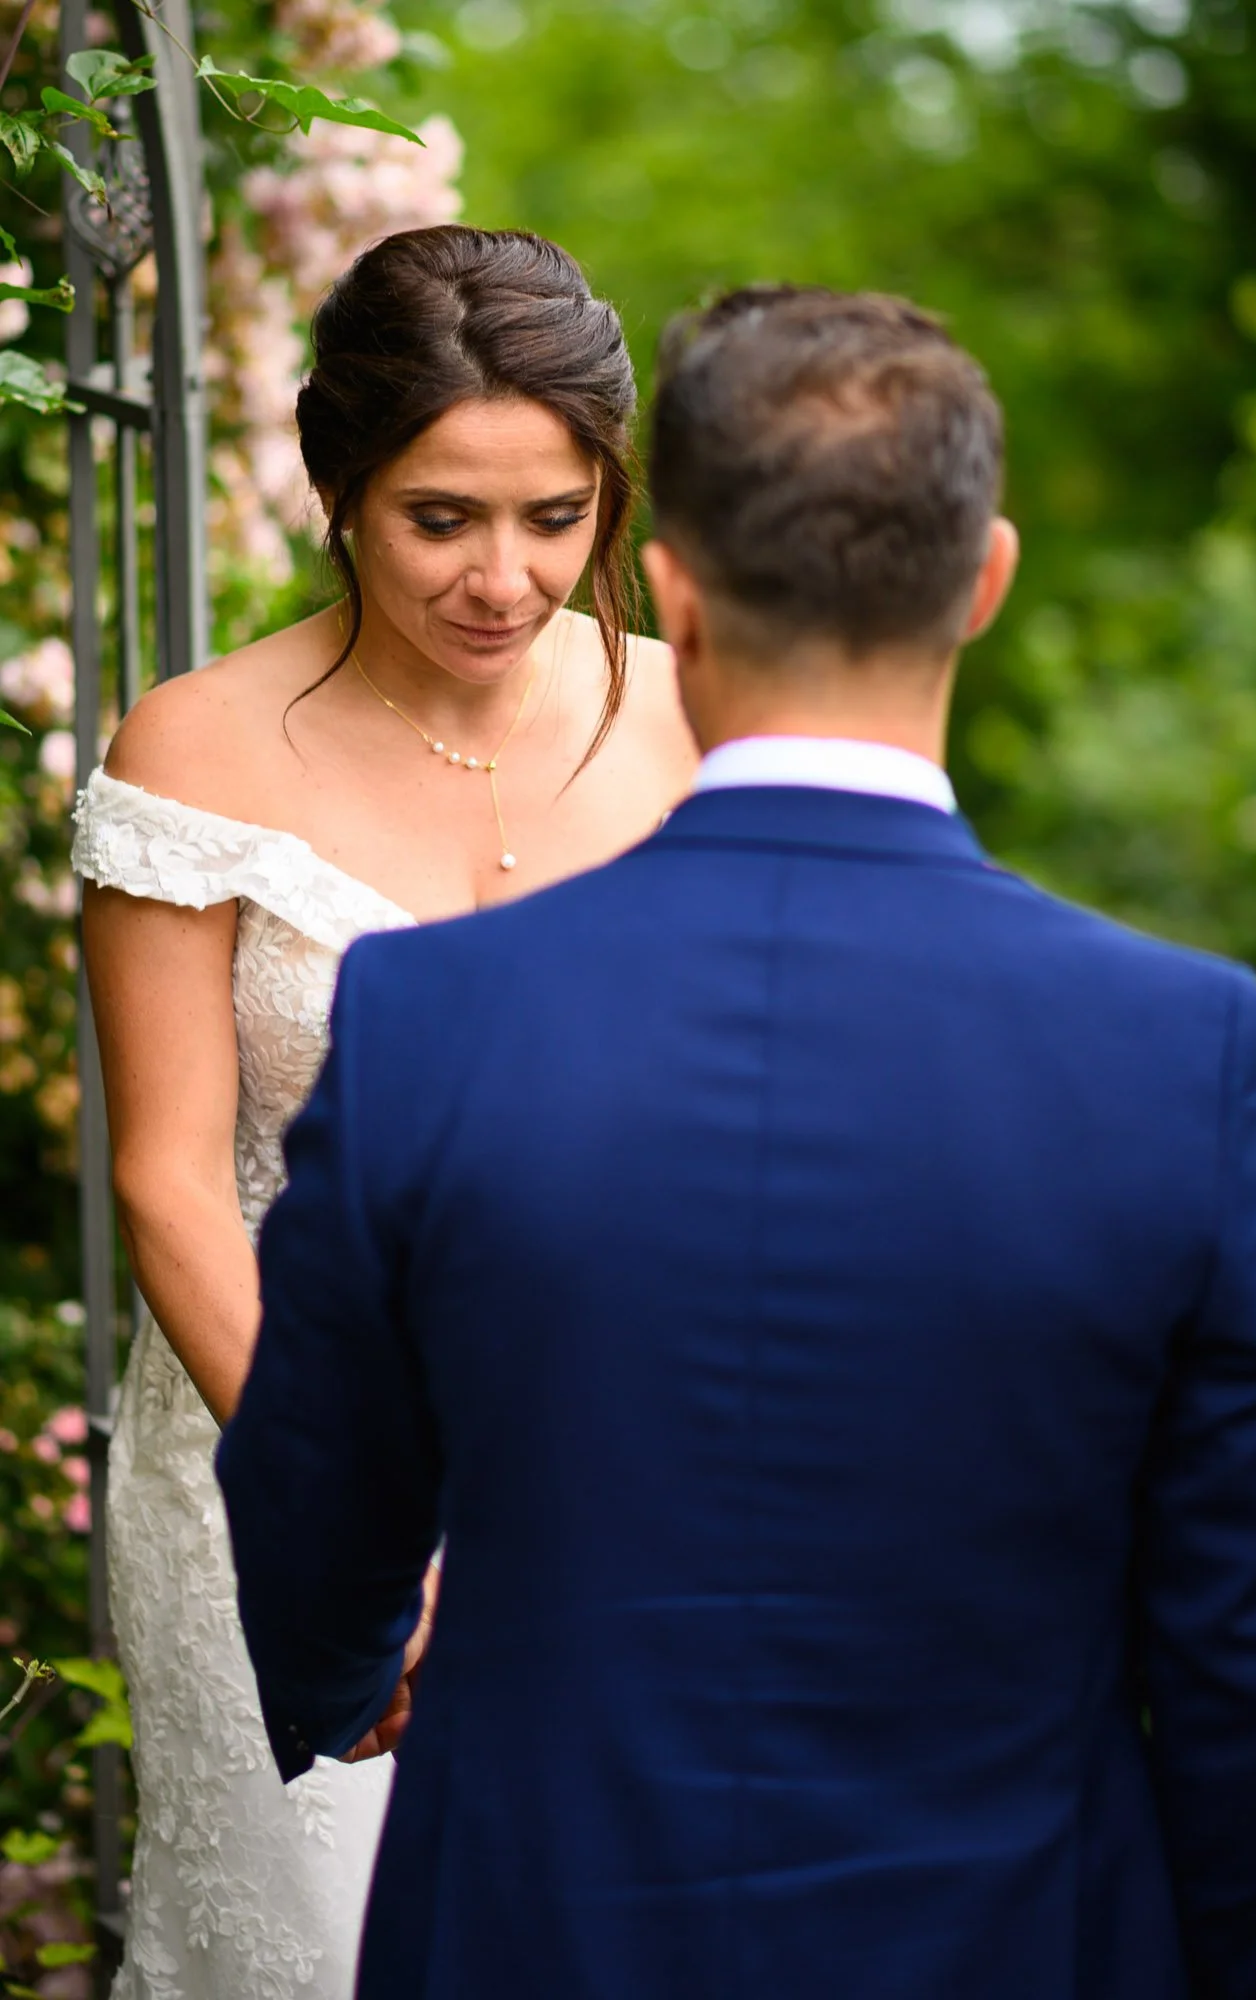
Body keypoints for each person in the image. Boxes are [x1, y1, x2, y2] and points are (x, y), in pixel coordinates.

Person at [218, 286, 1256, 2000]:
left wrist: (346, 1662)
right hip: (1023, 1937)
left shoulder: (435, 1017)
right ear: (986, 579)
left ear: (669, 586)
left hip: (536, 1921)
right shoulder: (1178, 1050)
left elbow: (316, 1483)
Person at [71, 224, 696, 2000]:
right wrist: (356, 1509)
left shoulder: (692, 714)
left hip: (632, 1463)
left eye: (556, 518)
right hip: (280, 1445)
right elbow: (169, 1176)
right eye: (444, 518)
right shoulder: (194, 749)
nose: (506, 577)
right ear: (335, 482)